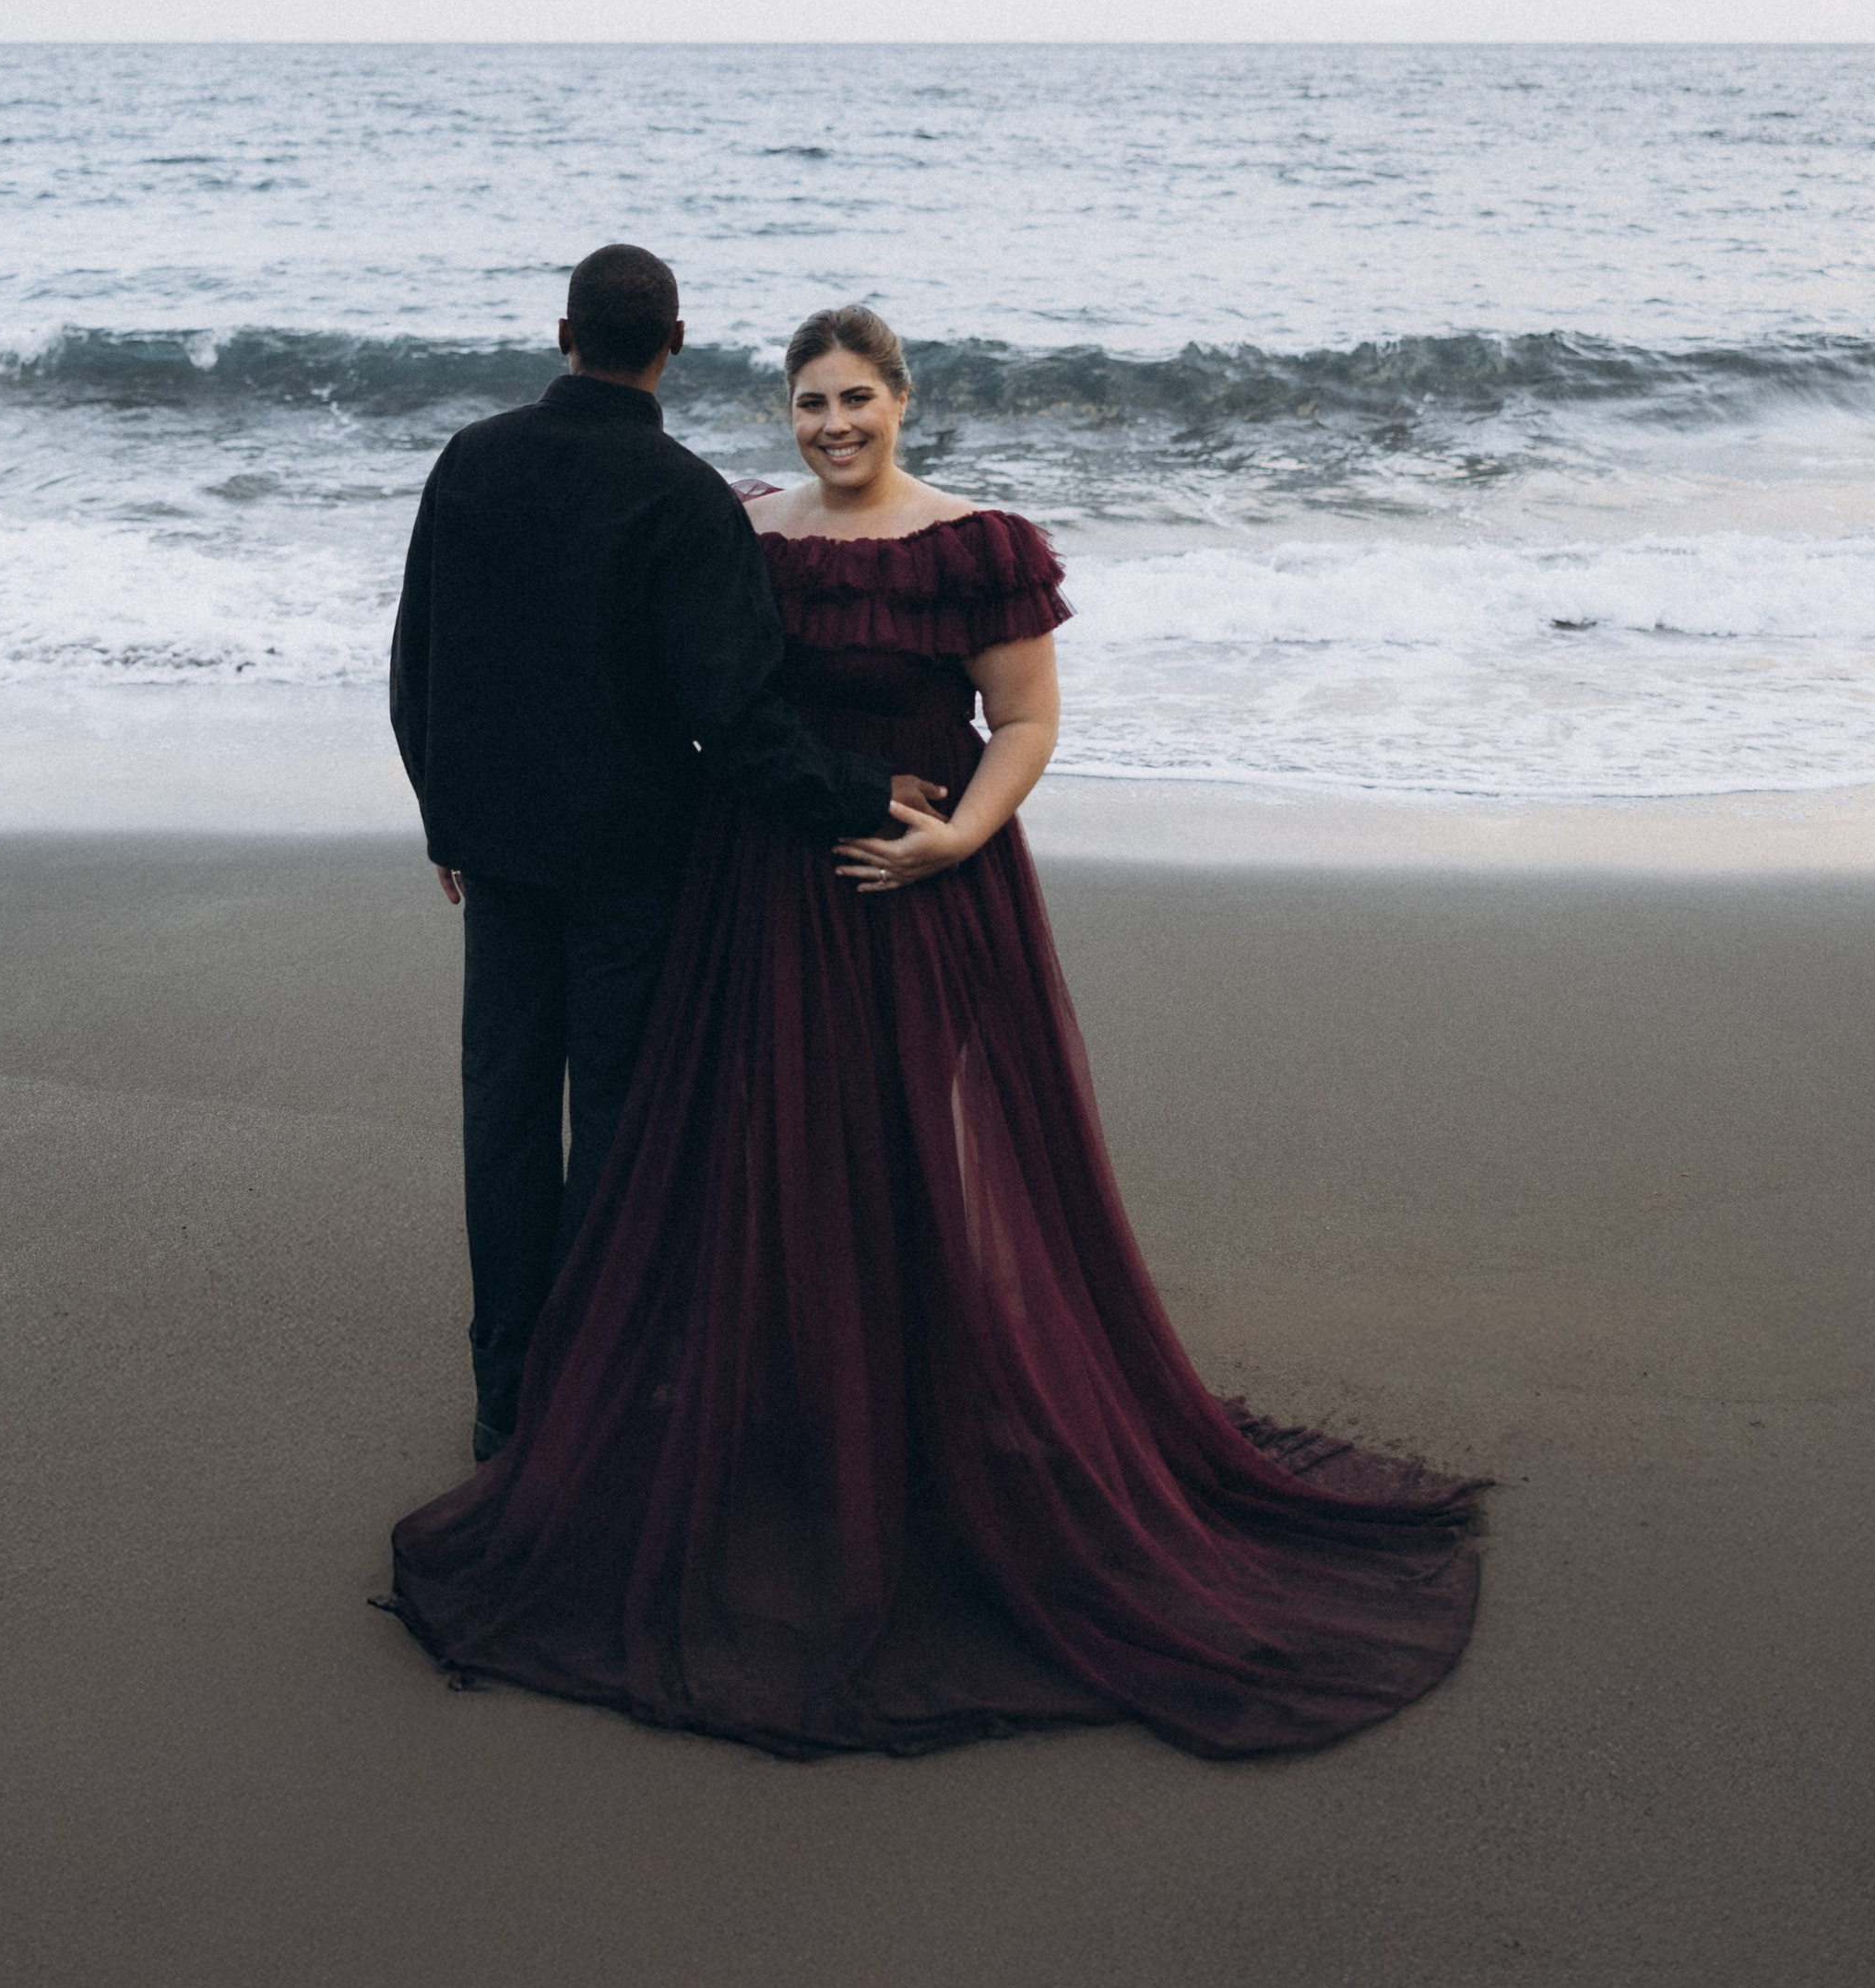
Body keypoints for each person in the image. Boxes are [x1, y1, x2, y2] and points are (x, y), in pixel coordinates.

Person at [386, 303, 1480, 1757]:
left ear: (905, 398)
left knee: (909, 1137)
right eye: (808, 402)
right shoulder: (744, 526)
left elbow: (1024, 722)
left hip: (919, 885)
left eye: (856, 399)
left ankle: (904, 1411)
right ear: (781, 410)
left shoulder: (980, 544)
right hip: (758, 883)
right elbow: (678, 691)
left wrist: (953, 841)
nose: (832, 425)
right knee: (750, 1141)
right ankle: (772, 1403)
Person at [389, 248, 932, 1461]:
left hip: (505, 859)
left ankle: (505, 1397)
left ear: (563, 329)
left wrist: (447, 819)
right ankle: (593, 1385)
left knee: (506, 1116)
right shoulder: (682, 499)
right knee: (622, 1117)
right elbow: (735, 719)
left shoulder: (472, 459)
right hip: (635, 856)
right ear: (674, 341)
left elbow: (420, 657)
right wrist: (862, 791)